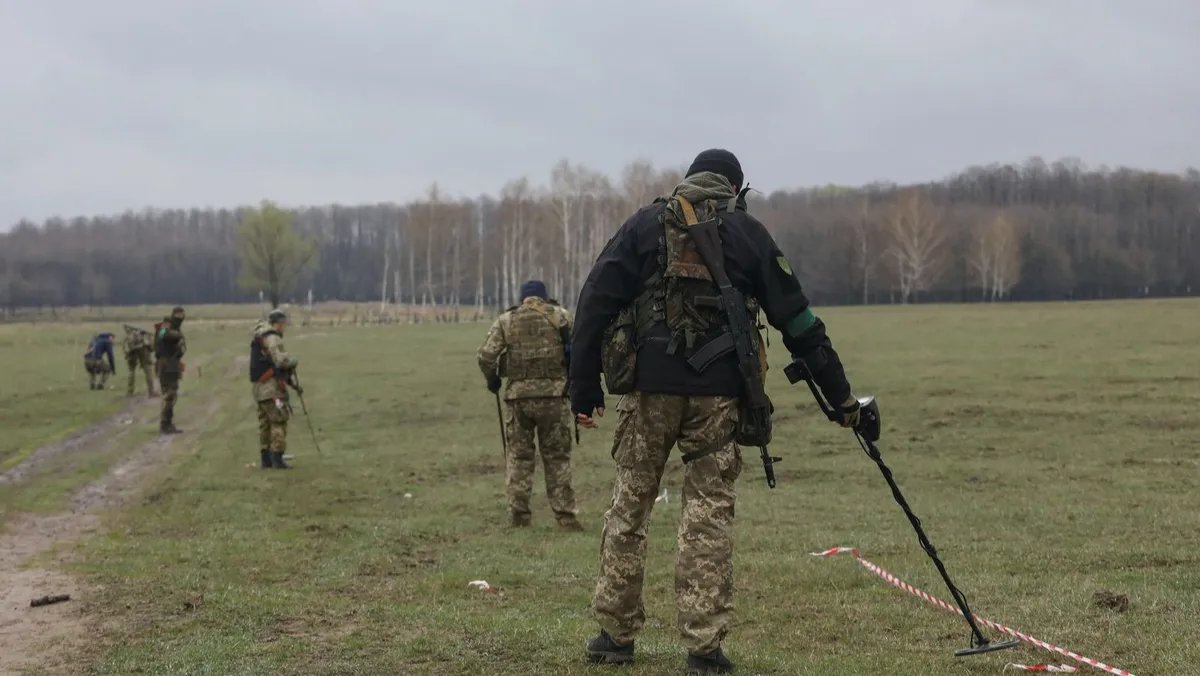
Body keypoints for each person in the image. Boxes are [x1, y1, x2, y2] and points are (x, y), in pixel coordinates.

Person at [569, 149, 861, 675]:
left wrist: (584, 387)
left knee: (629, 508)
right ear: (735, 190)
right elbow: (800, 323)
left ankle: (614, 636)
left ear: (688, 181)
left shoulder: (644, 225)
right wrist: (842, 399)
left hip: (649, 392)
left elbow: (594, 301)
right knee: (708, 514)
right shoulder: (748, 234)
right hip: (719, 398)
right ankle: (703, 648)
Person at [477, 279, 583, 531]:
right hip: (555, 398)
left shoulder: (506, 320)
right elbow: (580, 350)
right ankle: (566, 517)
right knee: (557, 457)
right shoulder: (561, 317)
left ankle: (519, 516)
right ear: (544, 297)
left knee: (519, 457)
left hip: (518, 400)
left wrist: (493, 381)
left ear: (522, 298)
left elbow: (486, 356)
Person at [250, 308, 298, 469]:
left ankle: (266, 459)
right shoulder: (272, 337)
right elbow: (280, 361)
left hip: (259, 389)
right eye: (284, 324)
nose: (285, 328)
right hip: (271, 388)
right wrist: (291, 361)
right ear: (279, 324)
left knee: (264, 423)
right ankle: (277, 457)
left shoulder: (260, 335)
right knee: (278, 420)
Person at [155, 307, 187, 435]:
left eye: (182, 314)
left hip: (172, 363)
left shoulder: (175, 327)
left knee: (171, 394)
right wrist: (177, 335)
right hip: (166, 363)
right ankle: (165, 424)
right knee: (170, 394)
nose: (180, 317)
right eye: (178, 314)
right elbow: (163, 334)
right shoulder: (166, 326)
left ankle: (168, 423)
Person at [122, 325, 158, 397]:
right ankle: (151, 392)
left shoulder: (128, 336)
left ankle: (130, 392)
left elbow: (126, 348)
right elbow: (152, 347)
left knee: (131, 371)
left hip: (132, 354)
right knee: (148, 371)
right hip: (144, 352)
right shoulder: (145, 335)